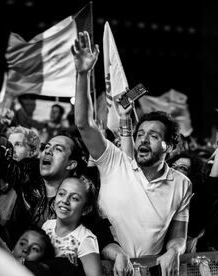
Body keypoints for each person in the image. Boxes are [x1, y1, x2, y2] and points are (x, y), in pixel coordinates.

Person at [73, 31, 192, 275]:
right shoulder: (115, 162)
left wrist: (174, 252)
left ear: (169, 146)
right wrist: (83, 73)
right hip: (104, 269)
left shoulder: (182, 184)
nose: (143, 140)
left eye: (154, 136)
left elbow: (178, 236)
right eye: (140, 135)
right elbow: (84, 125)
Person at [0, 103, 132, 275]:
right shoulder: (27, 175)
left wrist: (119, 255)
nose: (48, 152)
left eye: (57, 149)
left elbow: (103, 238)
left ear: (71, 164)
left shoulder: (78, 196)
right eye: (46, 148)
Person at [42, 176, 103, 276]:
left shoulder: (85, 239)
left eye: (74, 198)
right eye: (61, 194)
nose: (65, 200)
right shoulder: (47, 226)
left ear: (85, 210)